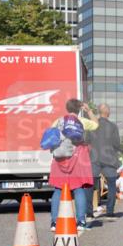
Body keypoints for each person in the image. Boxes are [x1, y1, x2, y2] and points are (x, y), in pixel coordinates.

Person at [48, 99, 98, 233]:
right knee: (78, 188)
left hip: (60, 158)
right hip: (77, 157)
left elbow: (52, 136)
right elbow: (96, 125)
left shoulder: (58, 121)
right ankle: (81, 221)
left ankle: (54, 222)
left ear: (67, 108)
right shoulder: (81, 121)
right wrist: (89, 111)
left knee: (58, 189)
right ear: (79, 109)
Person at [87, 103, 122, 220]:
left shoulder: (92, 125)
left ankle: (89, 211)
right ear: (108, 112)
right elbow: (117, 144)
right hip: (109, 159)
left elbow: (87, 141)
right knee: (112, 185)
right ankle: (110, 211)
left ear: (99, 112)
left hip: (94, 158)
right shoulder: (113, 127)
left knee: (90, 185)